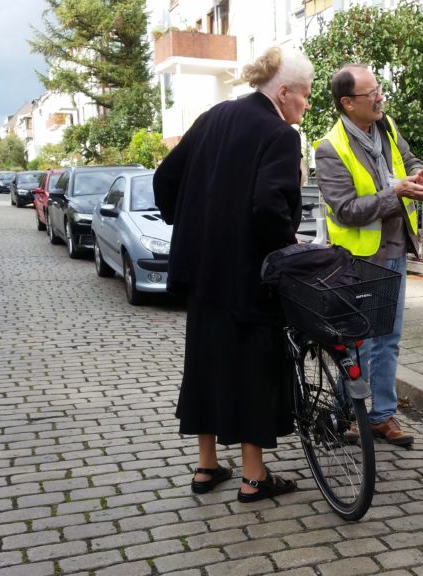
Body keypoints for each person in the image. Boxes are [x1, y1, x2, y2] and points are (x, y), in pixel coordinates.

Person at [153, 46, 314, 503]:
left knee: (204, 363)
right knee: (252, 371)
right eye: (304, 95)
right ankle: (253, 477)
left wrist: (191, 226)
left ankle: (206, 467)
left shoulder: (214, 116)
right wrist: (287, 245)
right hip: (248, 277)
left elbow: (165, 179)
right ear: (283, 93)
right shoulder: (280, 135)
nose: (306, 104)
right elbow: (268, 207)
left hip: (200, 271)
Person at [315, 64, 423, 446]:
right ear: (348, 103)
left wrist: (419, 176)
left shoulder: (387, 127)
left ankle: (383, 417)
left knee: (389, 338)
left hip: (396, 250)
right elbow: (346, 208)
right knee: (359, 343)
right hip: (358, 260)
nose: (380, 97)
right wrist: (396, 193)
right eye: (372, 94)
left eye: (379, 90)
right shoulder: (329, 148)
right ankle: (349, 416)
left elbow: (411, 159)